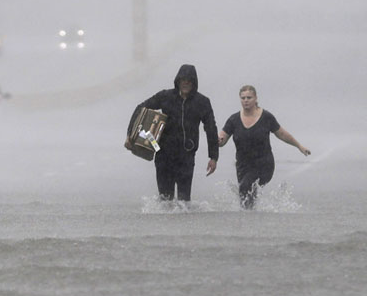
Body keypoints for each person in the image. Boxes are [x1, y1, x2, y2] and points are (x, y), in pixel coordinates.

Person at [125, 64, 219, 202]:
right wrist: (130, 135)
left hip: (186, 155)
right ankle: (166, 224)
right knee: (165, 200)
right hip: (163, 154)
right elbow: (141, 108)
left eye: (189, 80)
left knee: (184, 201)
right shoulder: (166, 96)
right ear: (178, 81)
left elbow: (211, 128)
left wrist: (213, 157)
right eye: (183, 80)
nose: (185, 83)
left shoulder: (202, 102)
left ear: (194, 82)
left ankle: (183, 223)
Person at [218, 85, 310, 209]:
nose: (246, 100)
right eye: (243, 98)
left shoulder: (266, 117)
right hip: (243, 166)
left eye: (249, 97)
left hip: (264, 163)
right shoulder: (233, 119)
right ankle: (253, 217)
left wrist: (299, 146)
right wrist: (217, 141)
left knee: (246, 187)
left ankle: (247, 218)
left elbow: (282, 134)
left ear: (256, 98)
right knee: (245, 192)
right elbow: (222, 140)